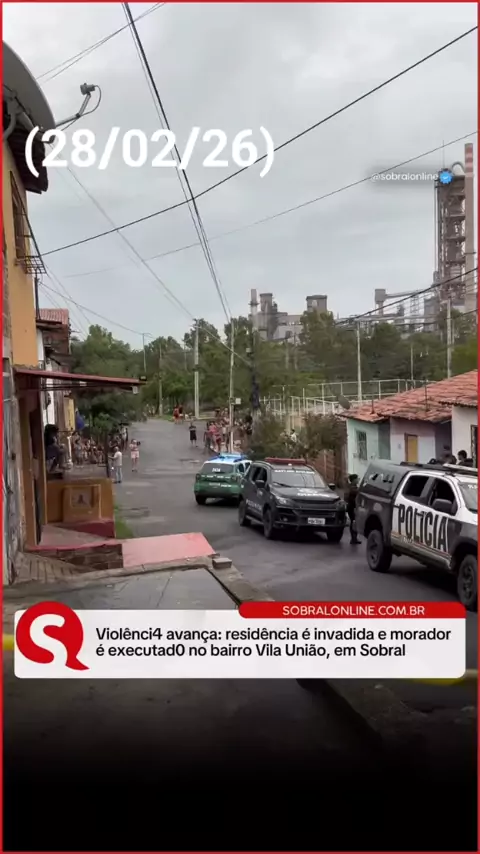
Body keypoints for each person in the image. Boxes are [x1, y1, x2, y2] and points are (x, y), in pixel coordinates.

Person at [344, 473, 360, 545]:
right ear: (353, 480)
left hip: (353, 507)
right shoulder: (352, 488)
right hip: (352, 507)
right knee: (353, 522)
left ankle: (354, 538)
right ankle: (353, 538)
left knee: (354, 522)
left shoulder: (352, 487)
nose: (358, 480)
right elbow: (356, 493)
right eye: (357, 478)